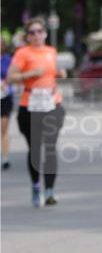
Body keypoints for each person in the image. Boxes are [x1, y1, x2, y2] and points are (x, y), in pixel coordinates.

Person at [7, 16, 67, 207]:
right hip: (30, 105)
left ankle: (49, 191)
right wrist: (30, 74)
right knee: (35, 149)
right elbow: (10, 77)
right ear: (27, 36)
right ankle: (35, 187)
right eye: (32, 32)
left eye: (39, 31)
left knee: (50, 147)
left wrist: (60, 74)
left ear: (45, 34)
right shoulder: (23, 53)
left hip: (52, 103)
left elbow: (52, 72)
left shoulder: (51, 51)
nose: (36, 35)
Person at [1, 36, 14, 169]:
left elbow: (13, 75)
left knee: (3, 128)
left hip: (5, 97)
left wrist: (6, 83)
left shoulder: (8, 60)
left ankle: (5, 157)